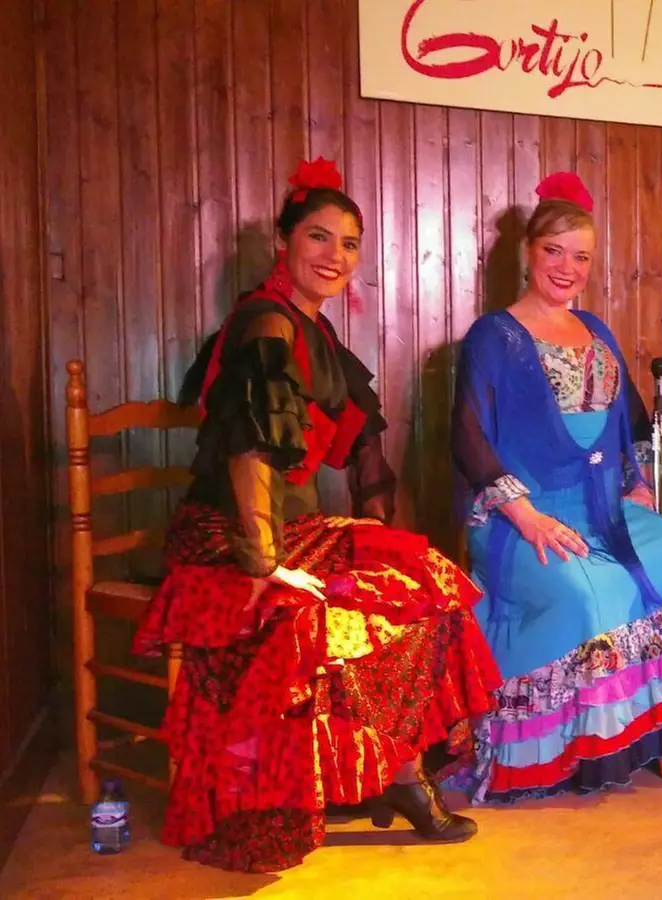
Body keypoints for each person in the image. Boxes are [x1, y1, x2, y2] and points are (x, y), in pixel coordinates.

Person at [130, 158, 501, 873]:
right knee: (319, 622)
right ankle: (384, 782)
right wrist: (268, 566)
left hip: (292, 530)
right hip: (229, 536)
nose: (336, 256)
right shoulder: (267, 324)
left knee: (428, 588)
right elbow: (248, 452)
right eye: (319, 238)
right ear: (284, 242)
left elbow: (362, 441)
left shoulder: (317, 332)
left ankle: (396, 776)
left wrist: (374, 530)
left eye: (350, 243)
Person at [445, 171, 662, 803]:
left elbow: (630, 422)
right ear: (528, 251)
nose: (566, 267)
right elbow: (469, 438)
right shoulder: (492, 337)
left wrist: (637, 483)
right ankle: (581, 746)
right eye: (554, 250)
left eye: (580, 256)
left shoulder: (598, 332)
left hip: (601, 508)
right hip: (520, 516)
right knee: (593, 590)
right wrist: (526, 518)